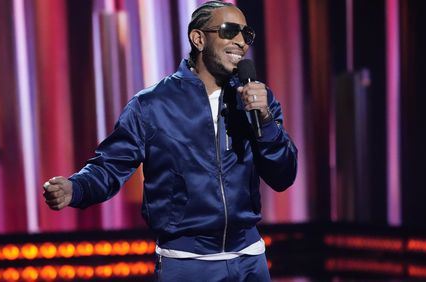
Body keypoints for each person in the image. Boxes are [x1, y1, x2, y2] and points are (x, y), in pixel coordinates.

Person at [43, 1, 297, 281]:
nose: (240, 42)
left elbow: (283, 175)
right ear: (198, 39)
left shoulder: (256, 100)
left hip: (250, 261)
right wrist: (75, 187)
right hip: (186, 265)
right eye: (229, 31)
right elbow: (110, 166)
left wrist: (264, 119)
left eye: (246, 35)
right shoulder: (151, 105)